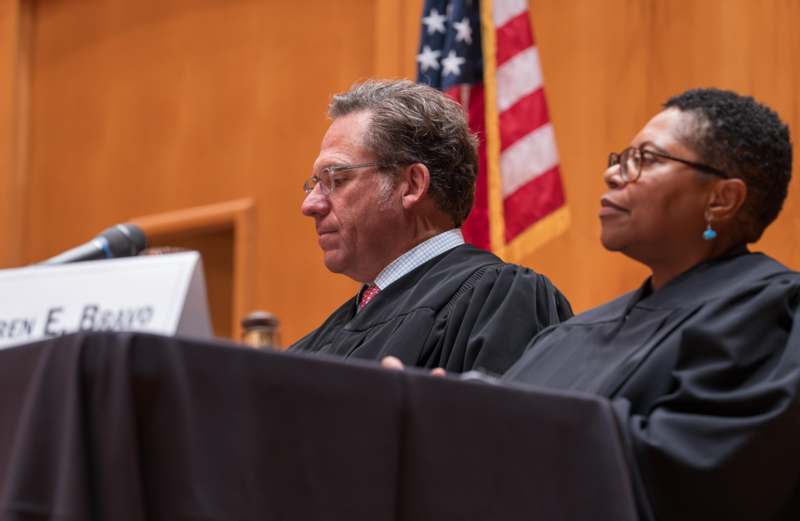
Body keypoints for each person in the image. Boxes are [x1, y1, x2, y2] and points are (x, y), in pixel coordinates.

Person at [386, 88, 800, 520]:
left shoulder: (776, 316)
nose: (615, 174)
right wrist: (436, 411)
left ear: (722, 198)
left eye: (647, 159)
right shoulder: (566, 338)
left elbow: (699, 477)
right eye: (621, 158)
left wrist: (496, 417)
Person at [289, 79, 572, 374]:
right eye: (315, 184)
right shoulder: (315, 345)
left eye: (337, 180)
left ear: (412, 185)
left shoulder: (500, 299)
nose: (310, 205)